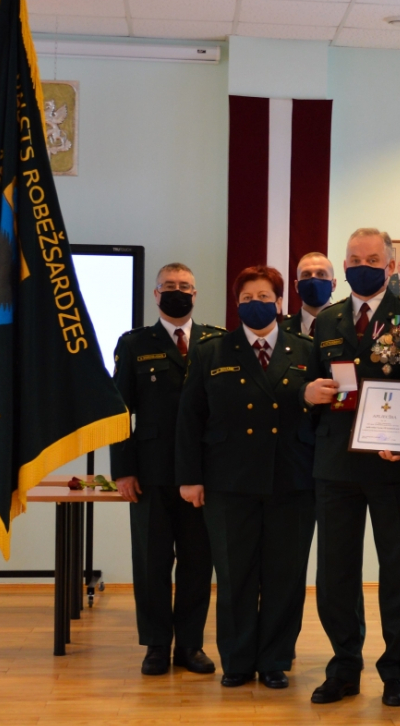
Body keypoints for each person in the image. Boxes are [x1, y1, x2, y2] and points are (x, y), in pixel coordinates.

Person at [301, 228, 400, 707]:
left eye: (372, 258)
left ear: (391, 265)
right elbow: (314, 385)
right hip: (335, 463)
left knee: (397, 569)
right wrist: (309, 392)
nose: (362, 265)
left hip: (390, 463)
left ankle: (395, 670)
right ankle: (344, 665)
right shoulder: (328, 319)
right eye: (353, 258)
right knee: (336, 572)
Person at [176, 266, 318, 690]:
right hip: (228, 482)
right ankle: (237, 661)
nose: (256, 303)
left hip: (292, 480)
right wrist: (190, 478)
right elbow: (189, 419)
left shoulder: (306, 351)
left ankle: (275, 660)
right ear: (236, 303)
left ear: (279, 302)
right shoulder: (211, 351)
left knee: (284, 575)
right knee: (234, 574)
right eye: (247, 296)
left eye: (265, 295)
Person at [110, 263, 221, 678]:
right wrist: (122, 470)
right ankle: (156, 645)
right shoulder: (136, 343)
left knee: (197, 562)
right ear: (156, 295)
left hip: (203, 474)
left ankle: (190, 645)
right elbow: (119, 411)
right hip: (151, 472)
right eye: (170, 287)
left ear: (196, 293)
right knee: (152, 562)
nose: (178, 292)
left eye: (185, 287)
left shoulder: (216, 341)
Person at [289, 251, 337, 336]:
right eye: (306, 275)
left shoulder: (350, 328)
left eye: (321, 274)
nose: (313, 280)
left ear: (333, 284)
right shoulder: (281, 331)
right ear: (297, 286)